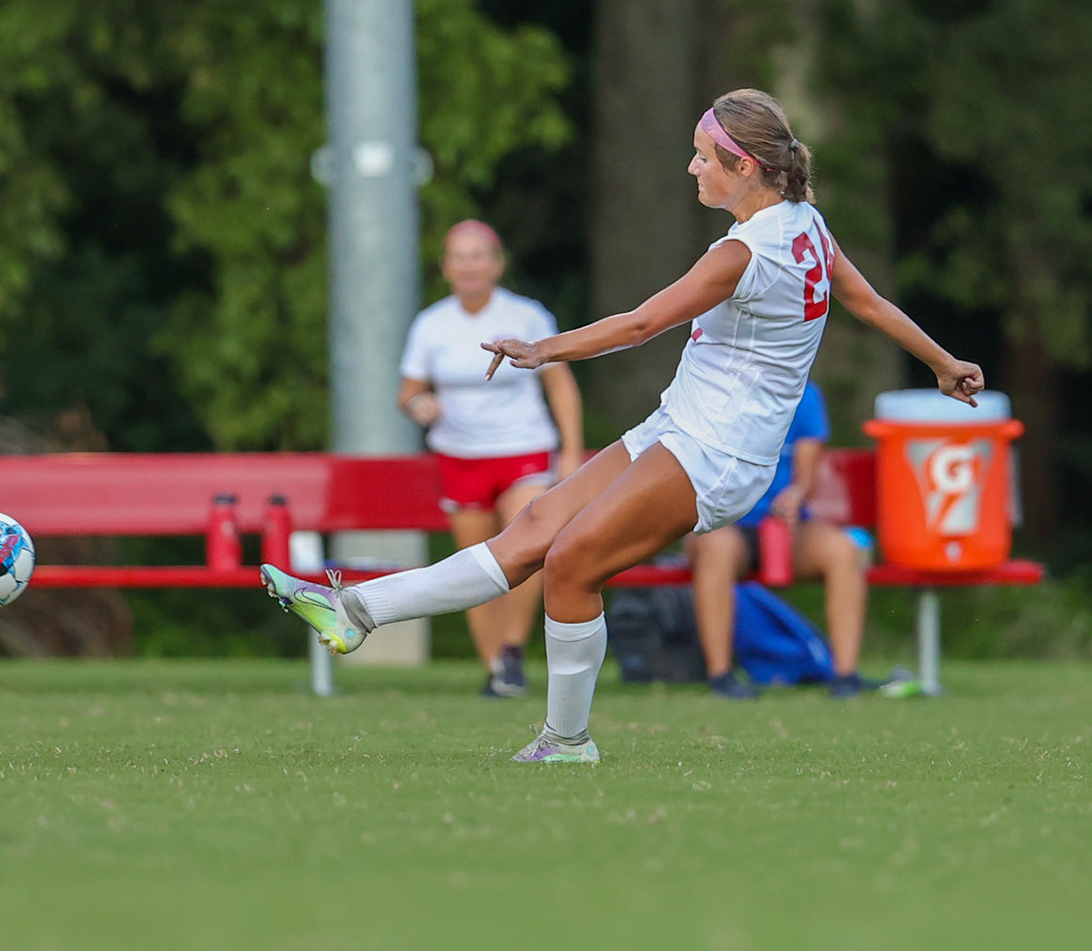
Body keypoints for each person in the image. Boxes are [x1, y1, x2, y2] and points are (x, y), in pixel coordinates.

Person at [262, 88, 982, 763]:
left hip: (716, 453)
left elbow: (640, 324)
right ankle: (354, 607)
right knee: (537, 527)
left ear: (745, 167)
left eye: (705, 155)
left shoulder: (744, 251)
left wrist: (543, 349)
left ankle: (566, 740)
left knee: (571, 561)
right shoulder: (806, 227)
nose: (692, 166)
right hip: (679, 428)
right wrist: (944, 362)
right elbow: (870, 302)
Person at [399, 220, 586, 697]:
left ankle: (513, 648)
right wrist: (421, 405)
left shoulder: (526, 316)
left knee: (526, 543)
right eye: (459, 256)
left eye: (478, 255)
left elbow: (560, 384)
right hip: (460, 456)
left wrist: (569, 450)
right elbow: (410, 390)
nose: (469, 265)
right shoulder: (431, 324)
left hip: (522, 448)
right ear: (446, 267)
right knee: (473, 561)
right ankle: (494, 669)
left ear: (497, 264)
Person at [685, 381, 873, 700]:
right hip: (722, 523)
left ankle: (845, 676)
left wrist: (796, 496)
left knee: (843, 550)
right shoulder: (712, 387)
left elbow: (807, 472)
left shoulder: (805, 393)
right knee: (716, 547)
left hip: (785, 527)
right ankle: (721, 676)